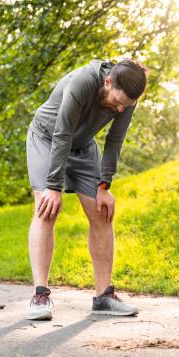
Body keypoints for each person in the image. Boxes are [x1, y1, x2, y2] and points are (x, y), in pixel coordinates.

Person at [25, 58, 146, 320]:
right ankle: (40, 296)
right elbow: (62, 132)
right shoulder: (81, 82)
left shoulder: (128, 99)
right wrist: (53, 186)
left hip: (82, 146)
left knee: (102, 211)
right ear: (107, 81)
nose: (122, 108)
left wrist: (104, 185)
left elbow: (115, 140)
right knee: (47, 210)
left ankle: (104, 297)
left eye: (128, 104)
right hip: (47, 138)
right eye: (119, 101)